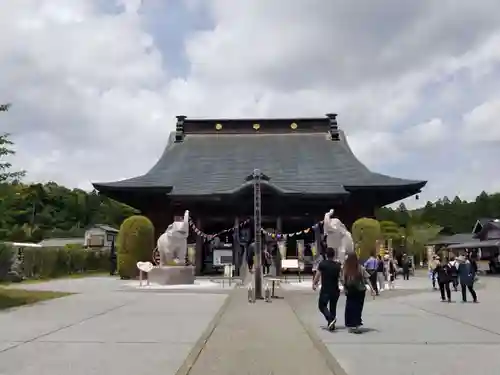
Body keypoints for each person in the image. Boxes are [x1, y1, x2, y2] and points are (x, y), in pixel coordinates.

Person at [343, 252, 373, 333]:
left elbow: (343, 280)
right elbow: (367, 278)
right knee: (358, 308)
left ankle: (350, 325)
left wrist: (345, 288)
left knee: (349, 307)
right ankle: (356, 325)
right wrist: (372, 289)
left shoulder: (346, 268)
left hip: (350, 290)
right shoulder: (360, 268)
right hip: (360, 290)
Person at [313, 247, 342, 331]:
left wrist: (314, 283)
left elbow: (318, 275)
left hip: (326, 289)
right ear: (334, 255)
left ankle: (330, 318)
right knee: (333, 307)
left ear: (326, 255)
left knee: (322, 306)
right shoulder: (337, 265)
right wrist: (345, 286)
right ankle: (331, 324)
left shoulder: (323, 264)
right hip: (335, 290)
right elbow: (341, 278)